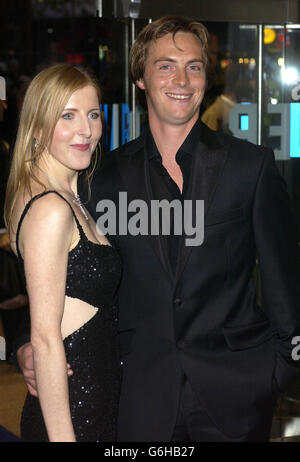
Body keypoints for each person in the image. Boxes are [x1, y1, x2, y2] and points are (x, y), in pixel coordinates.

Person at [17, 16, 300, 442]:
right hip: (134, 396)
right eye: (165, 65)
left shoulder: (251, 167)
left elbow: (285, 284)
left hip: (235, 398)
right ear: (141, 79)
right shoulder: (99, 177)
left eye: (194, 66)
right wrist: (25, 341)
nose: (182, 79)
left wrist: (277, 370)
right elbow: (62, 270)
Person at [4, 64, 122, 442]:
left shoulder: (63, 196)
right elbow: (44, 338)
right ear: (38, 126)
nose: (85, 130)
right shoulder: (51, 209)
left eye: (92, 114)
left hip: (90, 401)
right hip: (74, 414)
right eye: (67, 116)